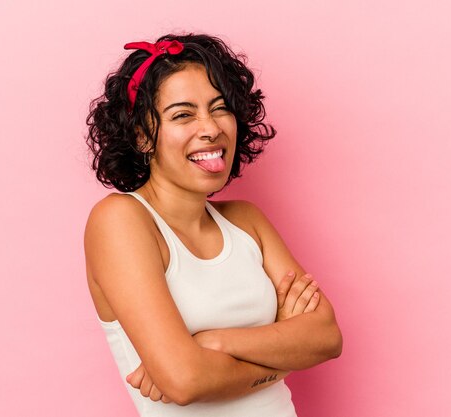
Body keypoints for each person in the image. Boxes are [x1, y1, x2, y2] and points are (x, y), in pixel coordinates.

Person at [84, 33, 342, 416]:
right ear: (141, 136)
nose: (211, 128)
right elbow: (185, 381)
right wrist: (286, 352)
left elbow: (326, 337)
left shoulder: (246, 220)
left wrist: (214, 342)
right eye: (183, 114)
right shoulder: (120, 221)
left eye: (219, 108)